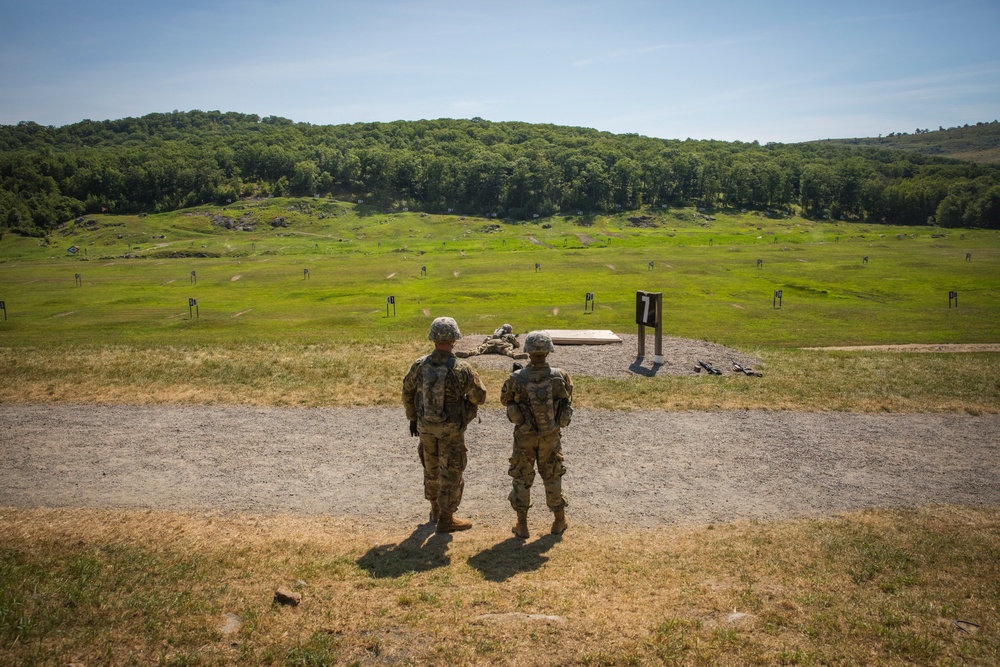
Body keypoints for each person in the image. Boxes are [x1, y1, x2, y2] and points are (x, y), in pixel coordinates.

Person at [402, 317, 487, 532]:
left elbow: (407, 392)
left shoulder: (420, 365)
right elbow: (480, 396)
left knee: (430, 468)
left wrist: (413, 418)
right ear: (455, 339)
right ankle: (447, 519)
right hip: (451, 430)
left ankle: (435, 510)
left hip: (425, 427)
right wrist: (467, 406)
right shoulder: (462, 368)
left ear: (432, 338)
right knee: (451, 471)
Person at [500, 330, 573, 539]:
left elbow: (505, 399)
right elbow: (567, 399)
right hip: (550, 435)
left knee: (522, 477)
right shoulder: (560, 376)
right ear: (548, 351)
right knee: (552, 476)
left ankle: (522, 525)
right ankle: (559, 520)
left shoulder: (517, 378)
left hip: (525, 436)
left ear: (528, 352)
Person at [456, 323, 527, 359]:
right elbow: (517, 344)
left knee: (479, 349)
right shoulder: (508, 335)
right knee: (507, 350)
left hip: (491, 342)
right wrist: (514, 341)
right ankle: (514, 355)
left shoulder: (494, 335)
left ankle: (468, 353)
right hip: (502, 344)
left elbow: (485, 341)